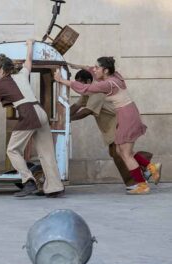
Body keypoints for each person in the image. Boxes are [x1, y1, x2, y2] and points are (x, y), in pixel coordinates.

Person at [54, 58, 161, 194]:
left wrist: (62, 80)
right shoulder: (115, 76)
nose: (95, 69)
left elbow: (84, 89)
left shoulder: (106, 85)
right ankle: (150, 167)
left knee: (124, 154)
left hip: (124, 116)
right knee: (120, 152)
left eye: (98, 68)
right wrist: (73, 65)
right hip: (126, 113)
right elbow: (89, 69)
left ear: (105, 70)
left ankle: (140, 184)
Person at [0, 39, 65, 198]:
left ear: (0, 69)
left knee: (12, 150)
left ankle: (28, 181)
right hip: (39, 111)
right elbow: (29, 60)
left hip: (28, 113)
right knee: (47, 151)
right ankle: (55, 187)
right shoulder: (22, 73)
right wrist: (30, 45)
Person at [70, 69, 153, 189]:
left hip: (117, 124)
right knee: (120, 153)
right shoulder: (86, 94)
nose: (77, 87)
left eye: (80, 83)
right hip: (110, 127)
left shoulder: (96, 92)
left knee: (119, 154)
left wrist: (69, 119)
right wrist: (65, 115)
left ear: (88, 81)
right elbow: (76, 106)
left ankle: (134, 181)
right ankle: (147, 166)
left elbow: (86, 111)